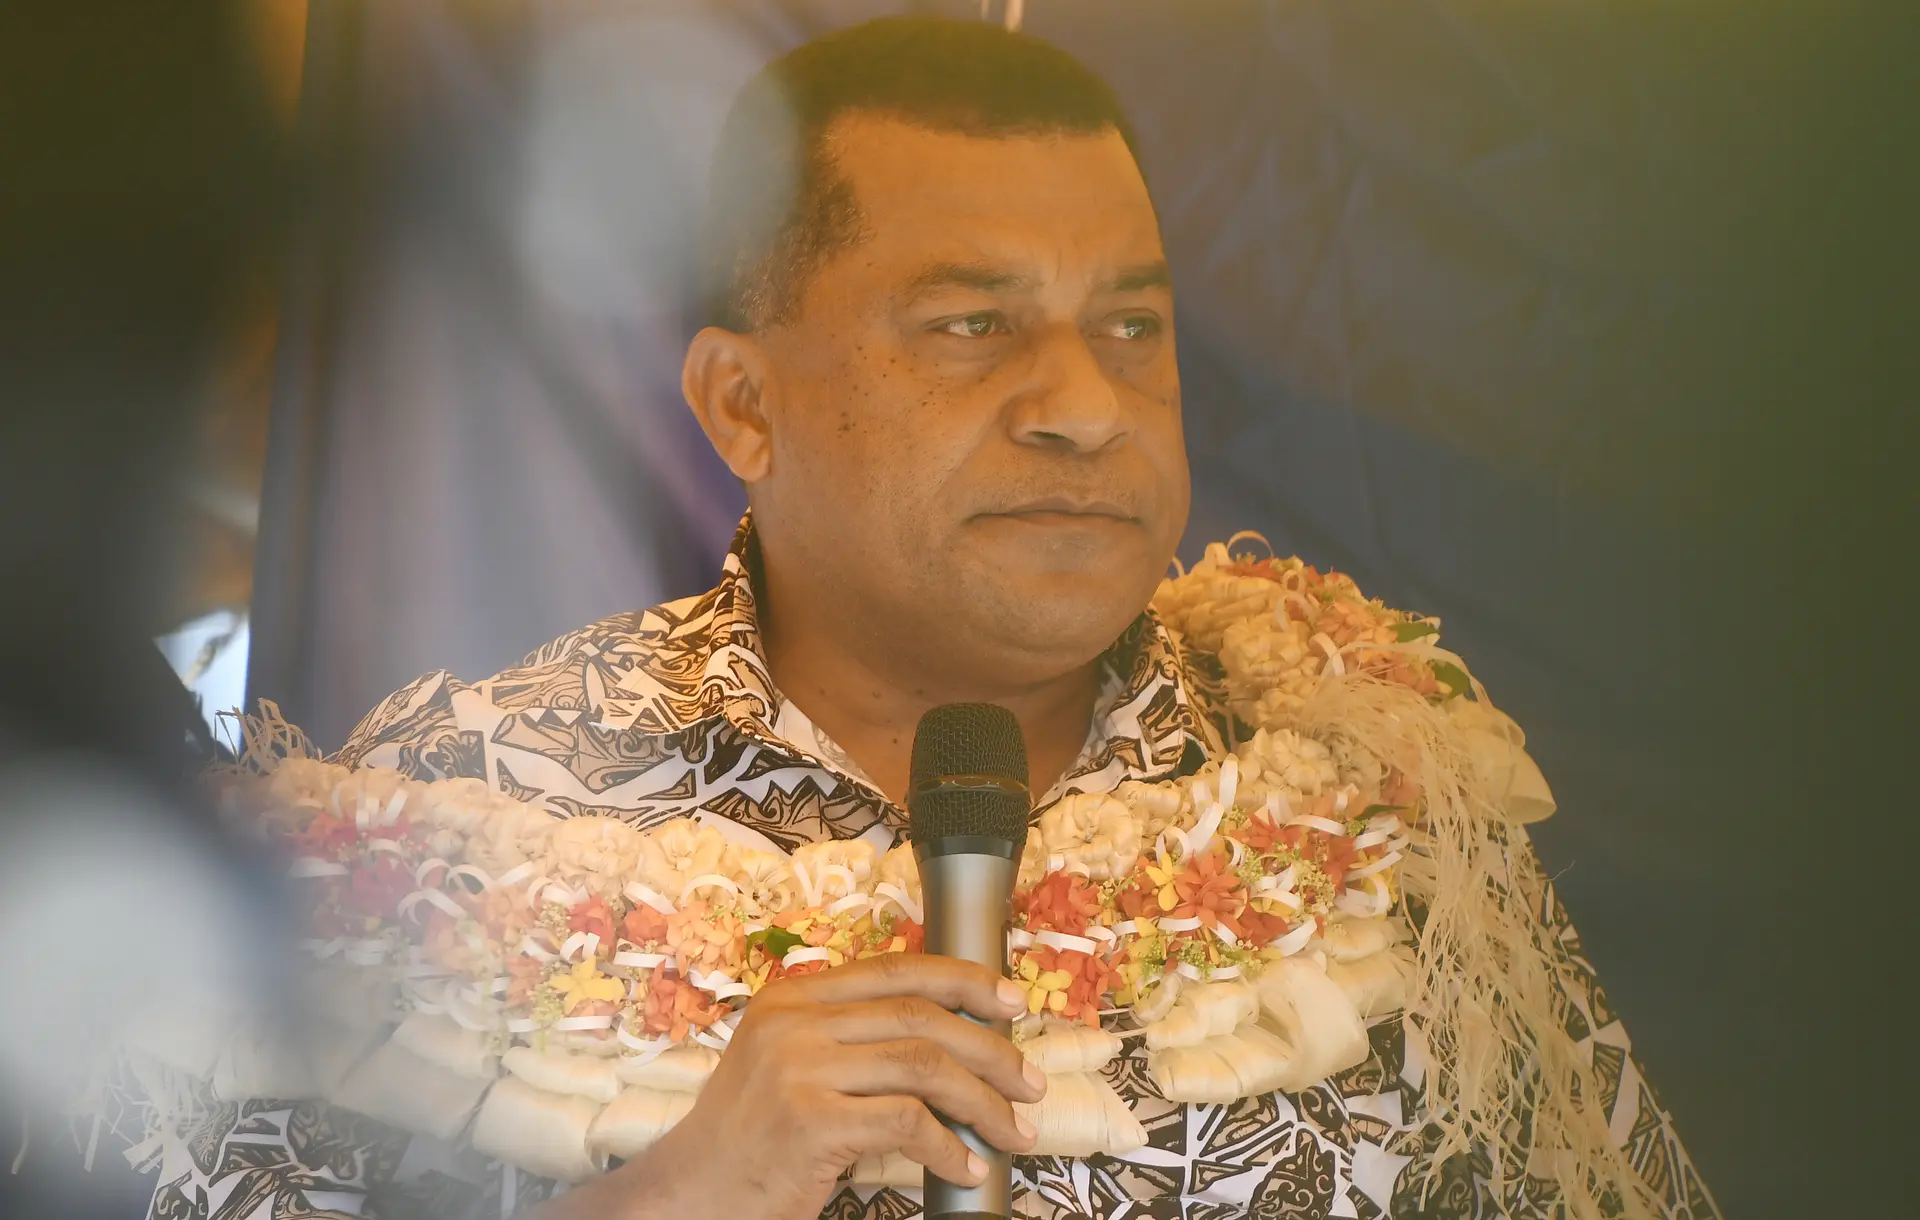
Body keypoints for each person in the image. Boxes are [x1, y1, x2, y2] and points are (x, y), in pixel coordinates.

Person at [149, 17, 1714, 1220]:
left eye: (1132, 327)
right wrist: (682, 1189)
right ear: (742, 404)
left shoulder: (1373, 807)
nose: (1086, 408)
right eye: (974, 326)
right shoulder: (463, 805)